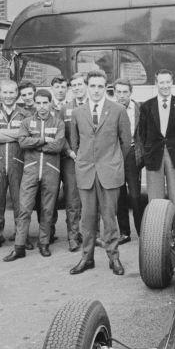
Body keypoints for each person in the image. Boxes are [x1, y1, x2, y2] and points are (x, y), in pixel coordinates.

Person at [69, 70, 131, 276]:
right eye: (92, 86)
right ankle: (86, 258)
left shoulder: (118, 110)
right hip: (86, 172)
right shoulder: (78, 112)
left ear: (106, 88)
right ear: (87, 87)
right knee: (87, 219)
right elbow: (75, 143)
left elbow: (125, 143)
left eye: (100, 86)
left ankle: (114, 258)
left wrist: (112, 162)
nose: (96, 90)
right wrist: (84, 162)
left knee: (110, 218)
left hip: (109, 172)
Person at [5, 89, 67, 261]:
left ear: (50, 103)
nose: (41, 107)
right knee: (24, 208)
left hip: (50, 169)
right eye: (38, 103)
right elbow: (22, 142)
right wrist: (43, 140)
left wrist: (36, 145)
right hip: (31, 169)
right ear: (35, 103)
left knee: (47, 209)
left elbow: (58, 146)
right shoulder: (26, 121)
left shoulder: (58, 123)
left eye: (45, 103)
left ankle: (44, 243)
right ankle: (19, 246)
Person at [138, 69, 175, 225]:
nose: (165, 85)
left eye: (168, 82)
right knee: (155, 200)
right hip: (154, 156)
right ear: (156, 83)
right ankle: (157, 233)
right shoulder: (147, 106)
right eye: (161, 82)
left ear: (172, 82)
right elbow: (142, 134)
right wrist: (146, 154)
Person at [0, 78, 28, 253]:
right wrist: (16, 135)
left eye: (12, 92)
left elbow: (26, 135)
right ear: (0, 93)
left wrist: (2, 132)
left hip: (18, 161)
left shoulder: (25, 113)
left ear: (17, 94)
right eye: (5, 92)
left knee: (20, 201)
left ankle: (21, 236)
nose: (9, 96)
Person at [59, 72, 88, 251]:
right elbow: (60, 134)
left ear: (85, 85)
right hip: (71, 159)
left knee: (91, 198)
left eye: (79, 84)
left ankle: (91, 234)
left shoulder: (93, 106)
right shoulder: (65, 108)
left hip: (91, 159)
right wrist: (70, 151)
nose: (77, 88)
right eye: (74, 85)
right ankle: (73, 235)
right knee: (72, 200)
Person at [113, 77, 142, 241]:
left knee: (136, 196)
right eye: (118, 92)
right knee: (119, 195)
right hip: (115, 154)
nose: (122, 95)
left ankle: (141, 230)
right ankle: (124, 232)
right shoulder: (110, 108)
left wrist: (141, 154)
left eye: (125, 92)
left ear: (131, 92)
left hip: (132, 153)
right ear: (114, 93)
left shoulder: (139, 109)